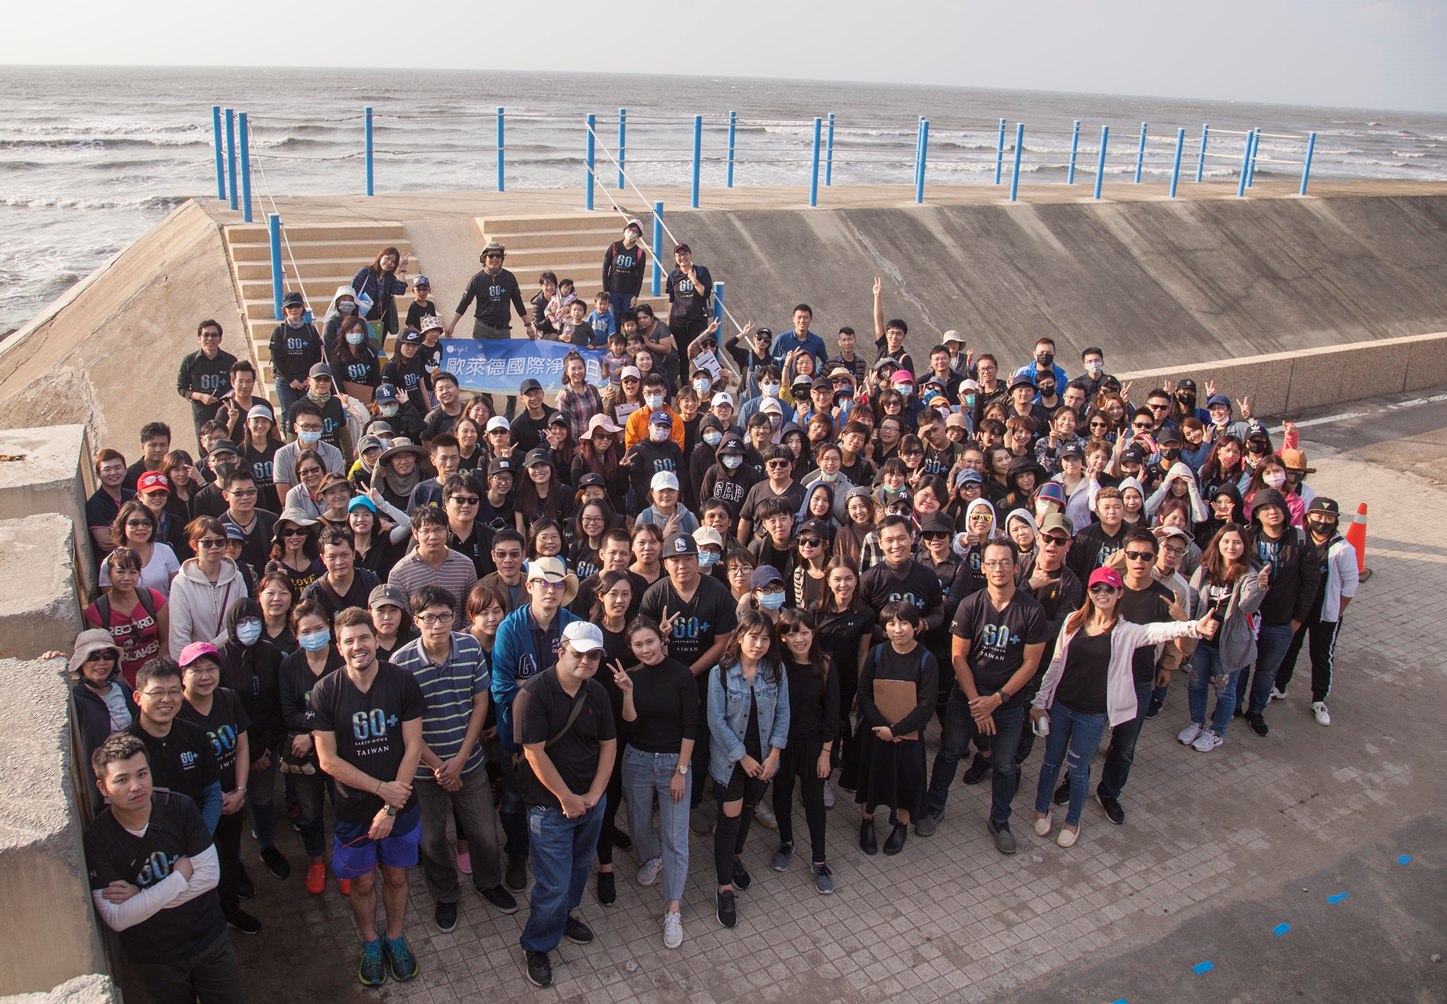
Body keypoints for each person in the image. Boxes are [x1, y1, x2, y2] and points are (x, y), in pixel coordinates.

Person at [1031, 566, 1213, 847]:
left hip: (1092, 714)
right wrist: (1039, 702)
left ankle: (1072, 821)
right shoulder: (1072, 621)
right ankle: (1041, 809)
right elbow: (1055, 664)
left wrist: (1193, 626)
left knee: (1078, 768)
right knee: (1051, 761)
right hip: (1061, 707)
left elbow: (1158, 631)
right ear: (1089, 592)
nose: (1102, 593)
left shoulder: (1127, 632)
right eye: (1096, 588)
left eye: (1109, 588)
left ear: (1119, 594)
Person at [309, 607, 426, 987]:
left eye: (364, 637)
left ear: (376, 639)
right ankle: (370, 943)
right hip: (353, 809)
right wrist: (379, 790)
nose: (358, 646)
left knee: (396, 876)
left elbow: (413, 746)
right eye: (349, 641)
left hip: (400, 806)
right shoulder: (326, 691)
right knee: (361, 883)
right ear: (338, 647)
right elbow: (328, 760)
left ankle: (395, 937)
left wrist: (390, 806)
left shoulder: (402, 681)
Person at [391, 586, 517, 932]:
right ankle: (445, 894)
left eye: (445, 616)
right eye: (429, 617)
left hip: (469, 762)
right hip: (422, 772)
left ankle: (489, 882)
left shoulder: (470, 648)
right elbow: (405, 727)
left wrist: (460, 759)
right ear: (415, 621)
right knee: (432, 840)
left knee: (486, 833)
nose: (438, 624)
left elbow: (480, 703)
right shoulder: (400, 663)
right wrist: (438, 767)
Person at [84, 733, 244, 1004]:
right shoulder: (98, 838)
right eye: (122, 780)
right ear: (102, 788)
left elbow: (208, 877)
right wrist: (179, 877)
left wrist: (140, 897)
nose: (136, 786)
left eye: (142, 774)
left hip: (208, 941)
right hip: (154, 959)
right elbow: (117, 917)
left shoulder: (179, 807)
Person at [919, 539, 1047, 853]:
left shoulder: (1031, 610)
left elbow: (1031, 664)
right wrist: (978, 703)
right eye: (991, 562)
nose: (998, 568)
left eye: (1005, 562)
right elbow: (958, 657)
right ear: (984, 567)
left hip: (1007, 703)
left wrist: (996, 700)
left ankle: (1000, 820)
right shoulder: (970, 605)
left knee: (1005, 765)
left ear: (1016, 567)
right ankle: (934, 806)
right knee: (949, 753)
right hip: (967, 699)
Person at [514, 621, 617, 988]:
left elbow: (608, 744)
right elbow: (534, 753)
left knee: (578, 869)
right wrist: (567, 798)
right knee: (553, 882)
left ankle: (563, 917)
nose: (586, 661)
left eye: (594, 656)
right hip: (549, 807)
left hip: (590, 802)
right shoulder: (534, 694)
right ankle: (537, 944)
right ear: (561, 651)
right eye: (578, 654)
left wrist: (595, 793)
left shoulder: (597, 692)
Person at [491, 556, 583, 892]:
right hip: (516, 735)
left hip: (562, 735)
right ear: (529, 586)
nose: (550, 590)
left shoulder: (573, 626)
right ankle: (517, 853)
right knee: (514, 798)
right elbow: (501, 688)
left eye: (557, 584)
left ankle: (557, 851)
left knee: (558, 791)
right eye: (543, 582)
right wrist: (553, 688)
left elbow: (582, 679)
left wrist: (528, 686)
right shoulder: (509, 629)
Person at [609, 616, 697, 949]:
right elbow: (630, 726)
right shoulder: (630, 676)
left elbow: (691, 725)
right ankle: (651, 857)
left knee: (676, 837)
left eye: (650, 642)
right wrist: (627, 693)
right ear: (631, 647)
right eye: (638, 645)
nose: (645, 649)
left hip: (674, 761)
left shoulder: (682, 675)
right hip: (637, 760)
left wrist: (681, 771)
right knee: (638, 820)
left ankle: (673, 908)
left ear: (661, 640)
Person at [639, 532, 739, 819]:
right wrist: (661, 638)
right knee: (663, 734)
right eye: (674, 559)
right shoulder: (655, 594)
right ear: (665, 563)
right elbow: (642, 640)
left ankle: (692, 802)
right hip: (662, 678)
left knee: (699, 738)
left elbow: (723, 642)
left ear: (698, 560)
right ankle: (659, 795)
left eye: (688, 558)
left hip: (703, 678)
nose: (682, 565)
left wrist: (687, 674)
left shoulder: (717, 592)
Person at [706, 610, 789, 929]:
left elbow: (783, 713)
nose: (759, 644)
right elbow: (716, 721)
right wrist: (743, 757)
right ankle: (724, 887)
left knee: (749, 809)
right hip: (732, 761)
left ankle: (735, 856)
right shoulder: (721, 673)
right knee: (729, 819)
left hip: (765, 758)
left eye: (765, 638)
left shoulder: (776, 671)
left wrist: (774, 754)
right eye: (753, 637)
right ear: (739, 637)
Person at [177, 641, 261, 935]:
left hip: (232, 797)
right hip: (198, 804)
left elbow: (241, 748)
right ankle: (207, 918)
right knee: (203, 861)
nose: (205, 676)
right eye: (196, 670)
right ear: (182, 675)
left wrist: (240, 791)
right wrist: (213, 800)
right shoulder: (177, 712)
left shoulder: (228, 698)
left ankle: (231, 908)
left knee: (230, 852)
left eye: (210, 668)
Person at [854, 600, 938, 857]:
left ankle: (901, 825)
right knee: (870, 777)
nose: (898, 629)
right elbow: (864, 692)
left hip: (907, 736)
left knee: (906, 781)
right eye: (891, 624)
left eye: (904, 623)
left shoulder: (926, 660)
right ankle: (867, 821)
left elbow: (926, 706)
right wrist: (881, 725)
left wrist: (897, 730)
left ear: (916, 626)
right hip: (876, 732)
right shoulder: (877, 653)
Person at [1236, 488, 1320, 736]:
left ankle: (1256, 711)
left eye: (1275, 507)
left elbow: (1310, 583)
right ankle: (1234, 705)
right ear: (1256, 514)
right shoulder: (1247, 536)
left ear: (1284, 510)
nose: (1271, 512)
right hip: (1248, 617)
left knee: (1266, 671)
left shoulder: (1300, 539)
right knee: (1240, 666)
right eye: (1264, 509)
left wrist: (1297, 618)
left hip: (1281, 620)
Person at [1178, 524, 1267, 753]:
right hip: (1202, 642)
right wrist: (1188, 634)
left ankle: (1217, 732)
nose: (1231, 546)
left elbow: (1247, 606)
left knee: (1224, 691)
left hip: (1227, 646)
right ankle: (1196, 723)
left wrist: (1260, 588)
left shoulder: (1249, 574)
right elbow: (1193, 601)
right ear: (1218, 543)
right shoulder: (1205, 570)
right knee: (1196, 683)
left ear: (1244, 546)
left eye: (1237, 542)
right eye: (1226, 541)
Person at [770, 609, 839, 892]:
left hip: (814, 745)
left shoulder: (825, 665)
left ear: (813, 633)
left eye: (804, 632)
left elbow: (832, 714)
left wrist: (826, 753)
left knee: (814, 802)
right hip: (782, 744)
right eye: (791, 633)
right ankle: (786, 842)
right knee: (781, 795)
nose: (798, 639)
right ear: (782, 638)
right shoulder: (777, 666)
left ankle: (819, 860)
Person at [276, 600, 342, 894]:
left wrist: (313, 732)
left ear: (329, 627)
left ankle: (345, 860)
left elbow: (348, 708)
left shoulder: (342, 658)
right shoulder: (289, 665)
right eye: (306, 631)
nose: (313, 635)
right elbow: (289, 713)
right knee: (309, 812)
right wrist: (319, 727)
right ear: (296, 635)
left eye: (319, 628)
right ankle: (316, 860)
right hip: (303, 754)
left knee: (344, 807)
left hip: (341, 748)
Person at [1273, 497, 1358, 726]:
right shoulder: (1298, 537)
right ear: (1308, 517)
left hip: (1325, 614)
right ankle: (1279, 687)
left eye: (1329, 517)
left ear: (1335, 521)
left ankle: (1319, 700)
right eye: (1318, 515)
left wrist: (1337, 612)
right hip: (1298, 609)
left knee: (1321, 656)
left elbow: (1350, 586)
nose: (1323, 521)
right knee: (1289, 648)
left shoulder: (1343, 549)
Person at [387, 506, 479, 630]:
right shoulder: (399, 572)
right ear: (415, 533)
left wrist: (462, 637)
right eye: (426, 531)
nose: (433, 536)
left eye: (438, 529)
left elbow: (470, 611)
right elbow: (402, 618)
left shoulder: (465, 565)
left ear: (447, 529)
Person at [168, 517, 248, 654]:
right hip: (198, 659)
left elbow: (242, 620)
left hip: (233, 656)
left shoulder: (237, 577)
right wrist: (191, 660)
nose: (214, 547)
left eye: (220, 542)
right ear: (194, 545)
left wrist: (212, 645)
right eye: (207, 543)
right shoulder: (181, 582)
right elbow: (179, 633)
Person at [177, 320, 237, 445]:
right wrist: (200, 396)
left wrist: (233, 393)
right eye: (206, 335)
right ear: (199, 338)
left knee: (226, 444)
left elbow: (237, 384)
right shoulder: (189, 361)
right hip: (201, 413)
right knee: (205, 446)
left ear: (220, 339)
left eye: (214, 335)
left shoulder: (230, 361)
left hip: (224, 411)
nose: (210, 338)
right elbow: (181, 388)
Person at [269, 290, 323, 414]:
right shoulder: (279, 331)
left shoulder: (311, 330)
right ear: (284, 309)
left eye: (297, 306)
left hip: (306, 380)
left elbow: (317, 356)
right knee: (288, 415)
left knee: (308, 414)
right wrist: (291, 380)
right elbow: (275, 358)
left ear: (303, 308)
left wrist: (309, 378)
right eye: (290, 306)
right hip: (285, 381)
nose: (294, 309)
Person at [602, 218, 648, 329]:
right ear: (625, 230)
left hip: (629, 293)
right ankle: (615, 339)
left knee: (628, 320)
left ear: (638, 236)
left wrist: (636, 295)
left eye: (635, 231)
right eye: (630, 229)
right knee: (615, 320)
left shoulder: (640, 253)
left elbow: (640, 276)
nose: (631, 232)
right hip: (614, 291)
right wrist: (606, 290)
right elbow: (605, 268)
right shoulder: (614, 247)